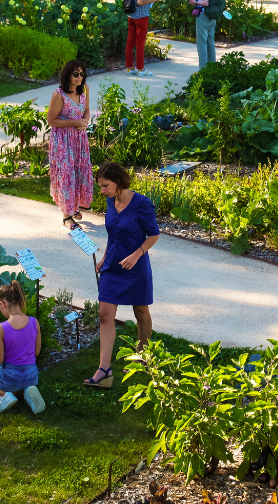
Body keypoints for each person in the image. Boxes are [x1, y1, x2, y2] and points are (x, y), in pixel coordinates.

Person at [84, 162, 160, 388]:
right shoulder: (111, 201)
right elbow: (113, 235)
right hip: (113, 266)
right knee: (105, 315)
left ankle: (142, 357)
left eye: (105, 186)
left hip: (135, 266)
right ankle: (104, 370)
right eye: (101, 186)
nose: (103, 191)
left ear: (119, 182)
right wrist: (106, 258)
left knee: (141, 312)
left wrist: (136, 255)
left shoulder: (141, 204)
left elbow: (153, 234)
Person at [0, 280, 46, 413]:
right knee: (20, 381)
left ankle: (4, 395)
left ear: (3, 303)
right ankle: (26, 393)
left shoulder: (1, 328)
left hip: (10, 378)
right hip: (31, 376)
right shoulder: (34, 322)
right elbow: (37, 352)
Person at [47, 59, 93, 230]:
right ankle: (66, 216)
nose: (80, 77)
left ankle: (75, 206)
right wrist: (74, 123)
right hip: (63, 141)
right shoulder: (59, 95)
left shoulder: (85, 89)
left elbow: (86, 110)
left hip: (80, 139)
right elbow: (51, 120)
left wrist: (85, 121)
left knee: (79, 172)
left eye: (82, 74)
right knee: (66, 175)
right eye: (76, 74)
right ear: (68, 75)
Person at [126, 0, 159, 77]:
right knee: (140, 43)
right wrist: (152, 0)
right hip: (141, 16)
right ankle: (141, 69)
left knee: (130, 42)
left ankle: (130, 68)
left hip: (131, 15)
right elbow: (140, 2)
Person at [193, 0, 218, 70]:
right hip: (212, 17)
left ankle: (202, 70)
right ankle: (212, 68)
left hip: (203, 16)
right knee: (210, 43)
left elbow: (205, 2)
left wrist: (194, 2)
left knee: (202, 44)